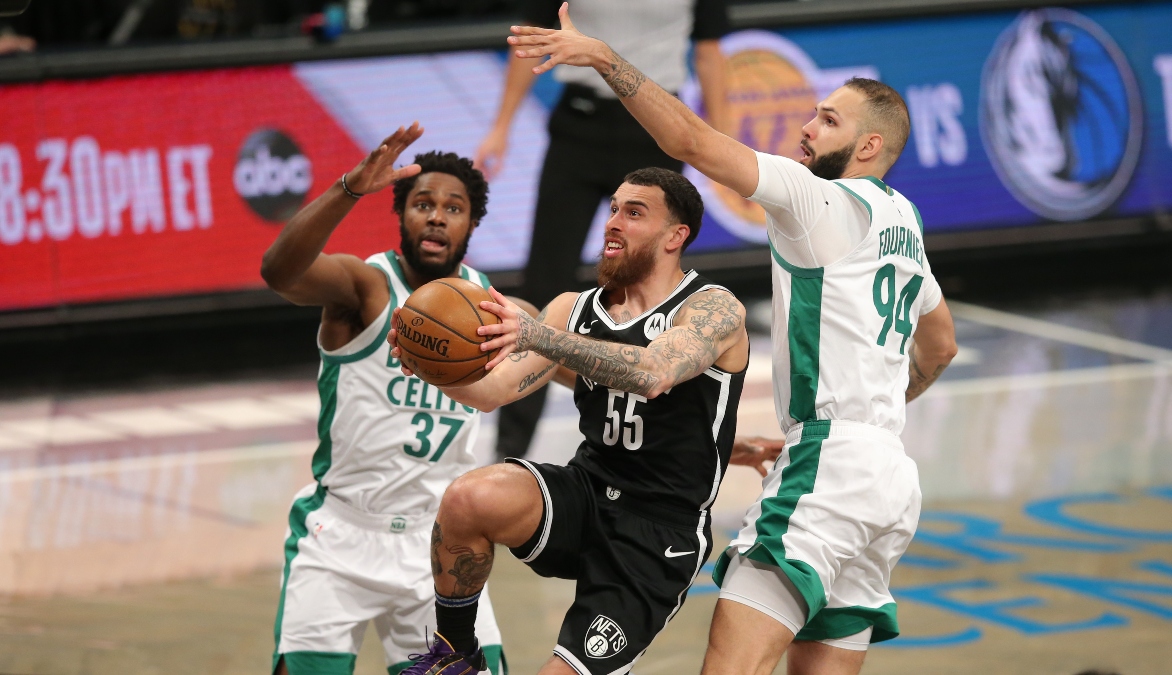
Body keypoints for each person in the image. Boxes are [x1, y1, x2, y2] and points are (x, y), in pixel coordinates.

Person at [507, 6, 960, 674]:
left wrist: (605, 59)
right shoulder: (905, 220)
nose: (807, 128)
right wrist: (872, 414)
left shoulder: (817, 199)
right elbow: (941, 345)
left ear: (868, 147)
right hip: (890, 479)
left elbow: (691, 142)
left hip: (827, 470)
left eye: (828, 120)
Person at [388, 167, 777, 675]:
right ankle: (457, 655)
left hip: (657, 534)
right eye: (613, 208)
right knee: (469, 498)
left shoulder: (712, 307)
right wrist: (427, 364)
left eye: (634, 213)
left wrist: (538, 337)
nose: (613, 222)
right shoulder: (574, 309)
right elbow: (491, 393)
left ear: (674, 236)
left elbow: (654, 373)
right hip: (586, 492)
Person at [260, 123, 512, 675]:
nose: (438, 216)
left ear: (472, 224)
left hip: (439, 544)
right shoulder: (365, 288)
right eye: (423, 203)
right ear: (401, 215)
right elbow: (279, 271)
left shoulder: (491, 311)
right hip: (339, 541)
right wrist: (347, 189)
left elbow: (575, 365)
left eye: (454, 207)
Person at [478, 0, 733, 463]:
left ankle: (662, 432)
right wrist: (500, 128)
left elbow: (710, 52)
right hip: (578, 123)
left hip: (654, 127)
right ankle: (509, 451)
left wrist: (721, 152)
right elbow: (531, 36)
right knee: (545, 284)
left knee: (653, 285)